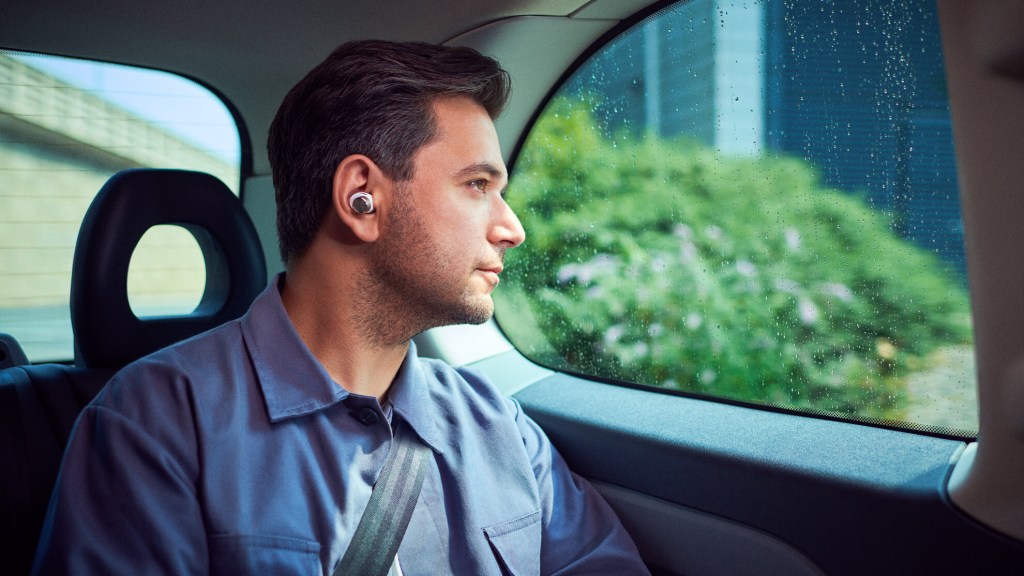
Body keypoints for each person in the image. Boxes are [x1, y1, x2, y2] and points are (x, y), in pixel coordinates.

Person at [33, 40, 650, 575]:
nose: (512, 228)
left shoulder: (500, 428)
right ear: (362, 198)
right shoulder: (153, 424)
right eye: (477, 186)